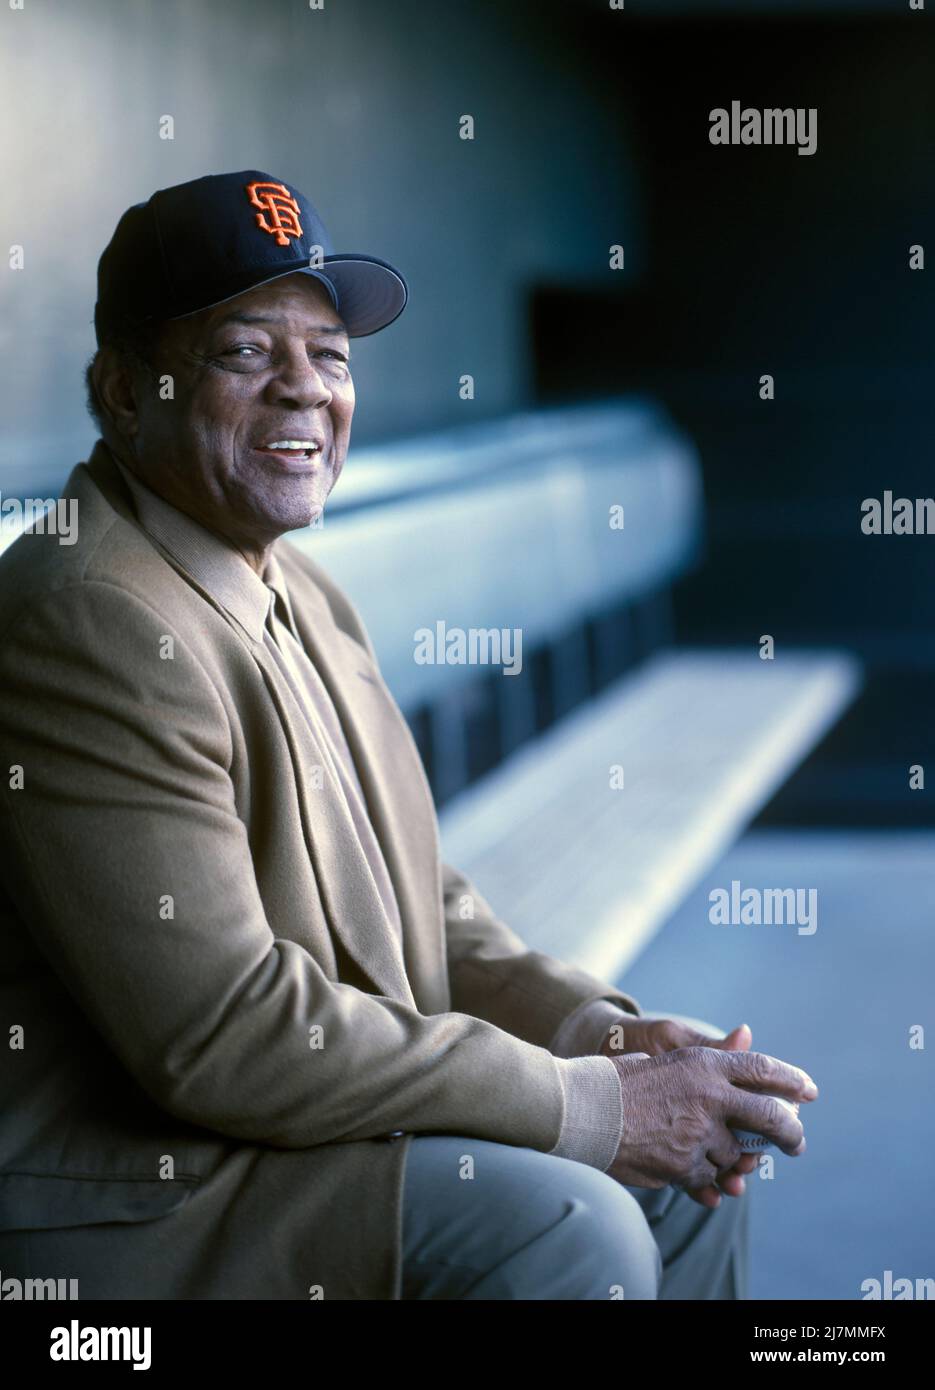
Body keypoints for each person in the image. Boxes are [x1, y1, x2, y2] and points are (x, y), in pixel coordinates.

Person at [0, 170, 817, 1301]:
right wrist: (583, 1106)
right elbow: (227, 1033)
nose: (304, 389)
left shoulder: (304, 592)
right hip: (155, 1194)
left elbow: (427, 910)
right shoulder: (84, 616)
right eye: (245, 351)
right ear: (126, 389)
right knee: (566, 1225)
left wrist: (596, 1037)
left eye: (330, 355)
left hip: (291, 1129)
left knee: (674, 1186)